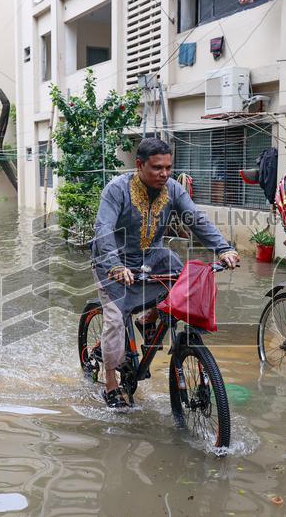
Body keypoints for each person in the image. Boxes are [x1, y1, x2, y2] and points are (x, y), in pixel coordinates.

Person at [91, 138, 240, 408]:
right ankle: (111, 384)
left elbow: (196, 219)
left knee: (182, 278)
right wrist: (115, 265)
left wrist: (223, 249)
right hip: (113, 260)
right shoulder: (116, 190)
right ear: (139, 165)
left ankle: (150, 318)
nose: (165, 174)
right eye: (157, 168)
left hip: (152, 256)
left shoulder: (173, 189)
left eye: (169, 167)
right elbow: (104, 229)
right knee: (114, 318)